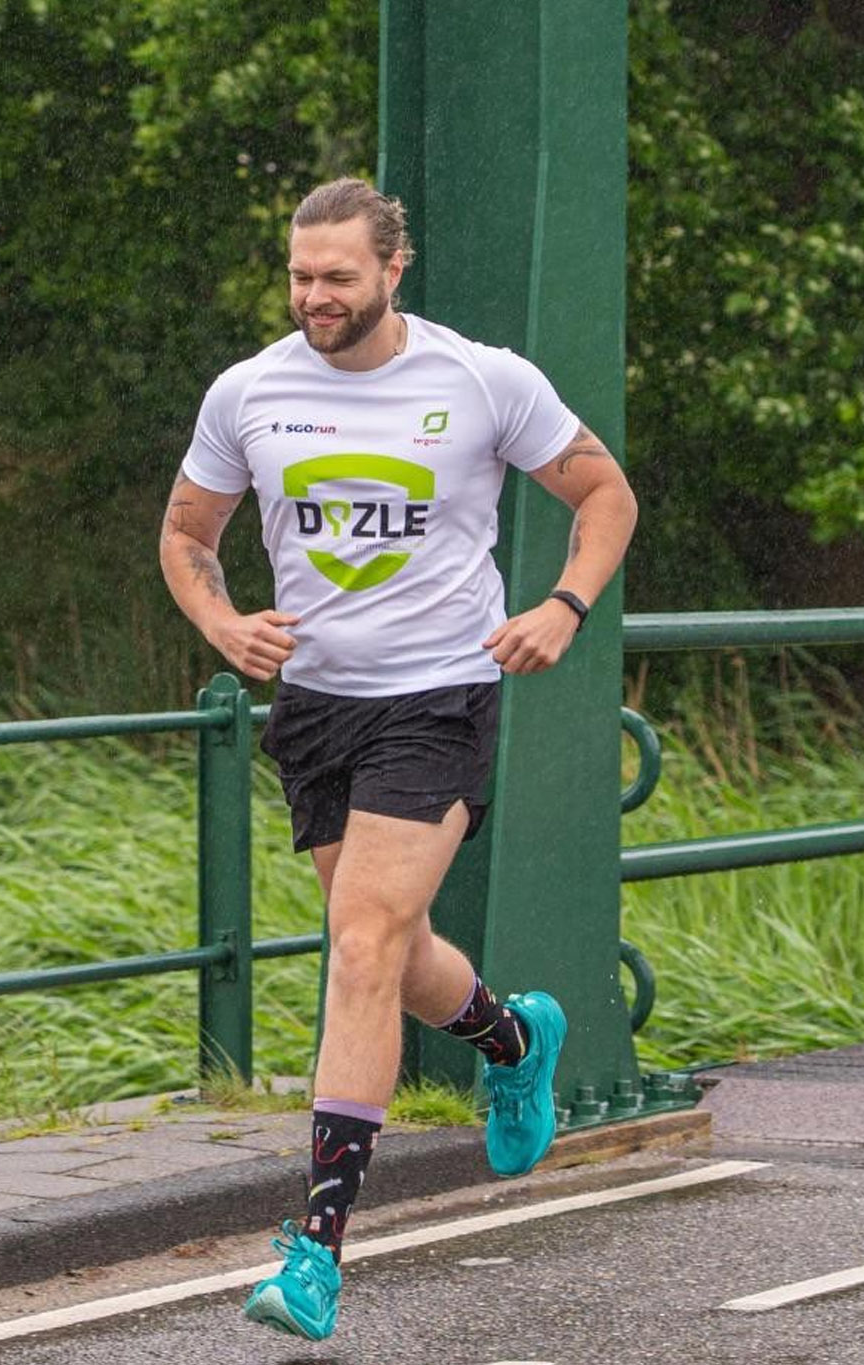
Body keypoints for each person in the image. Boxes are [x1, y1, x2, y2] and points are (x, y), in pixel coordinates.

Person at [158, 176, 637, 1341]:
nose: (315, 298)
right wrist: (225, 626)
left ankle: (316, 1249)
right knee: (392, 945)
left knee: (361, 942)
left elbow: (604, 491)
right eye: (298, 276)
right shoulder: (250, 393)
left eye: (338, 277)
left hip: (438, 700)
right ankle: (514, 1039)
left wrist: (564, 607)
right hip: (317, 710)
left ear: (392, 269)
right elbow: (186, 535)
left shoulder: (480, 380)